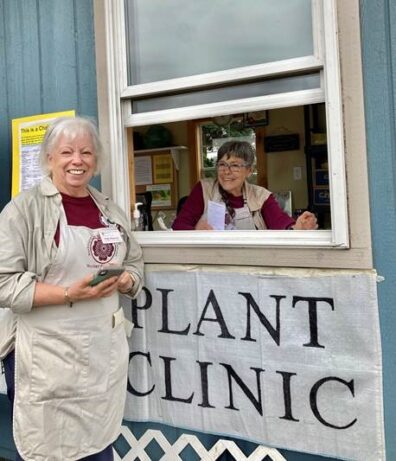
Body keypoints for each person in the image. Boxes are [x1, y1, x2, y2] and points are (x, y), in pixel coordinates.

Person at [0, 116, 144, 461]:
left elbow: (135, 262)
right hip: (45, 352)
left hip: (99, 351)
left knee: (96, 445)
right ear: (49, 159)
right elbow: (4, 283)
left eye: (86, 153)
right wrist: (68, 294)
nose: (77, 161)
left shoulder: (109, 209)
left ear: (96, 160)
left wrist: (126, 280)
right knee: (49, 447)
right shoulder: (23, 210)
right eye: (67, 152)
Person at [172, 140, 317, 231]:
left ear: (249, 170)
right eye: (222, 165)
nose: (226, 172)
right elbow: (179, 226)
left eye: (234, 165)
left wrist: (297, 228)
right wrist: (194, 230)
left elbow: (280, 222)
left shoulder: (261, 196)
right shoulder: (204, 189)